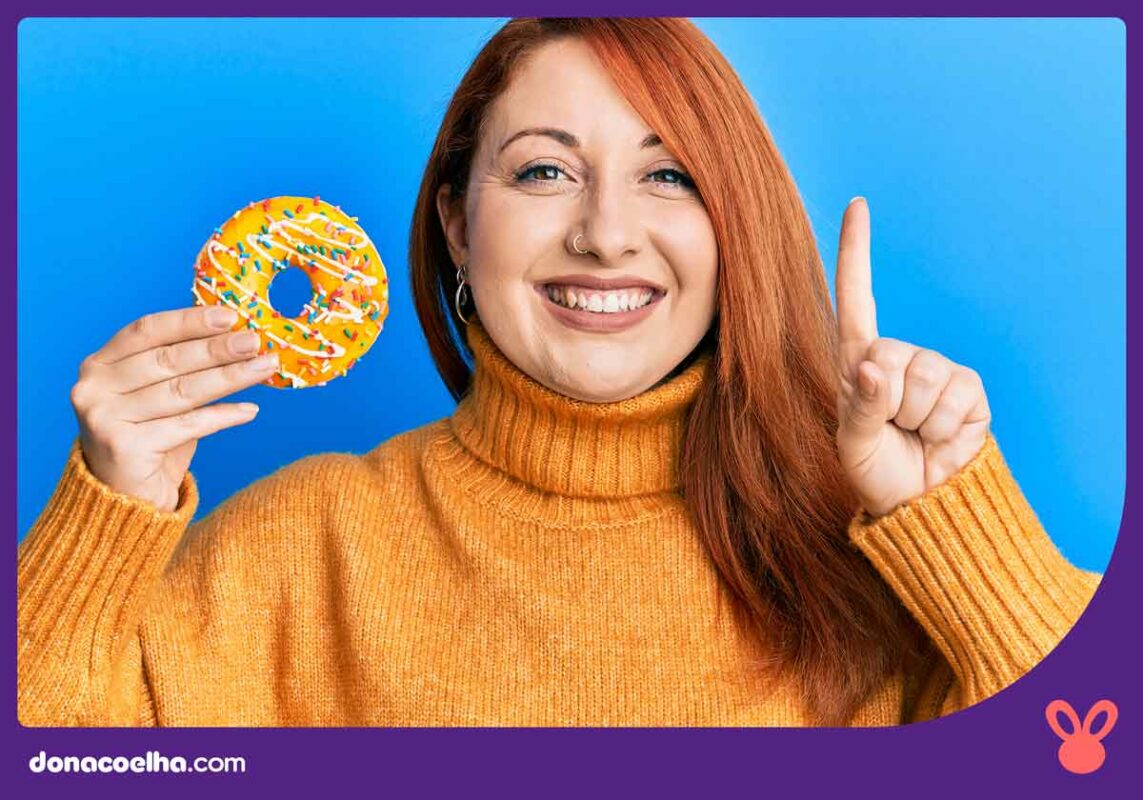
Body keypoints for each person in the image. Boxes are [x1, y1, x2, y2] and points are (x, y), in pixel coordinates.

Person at [17, 17, 1101, 728]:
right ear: (457, 220)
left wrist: (957, 527)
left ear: (735, 228)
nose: (607, 232)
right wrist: (105, 514)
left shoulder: (864, 564)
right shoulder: (299, 549)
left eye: (668, 175)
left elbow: (1090, 748)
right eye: (544, 170)